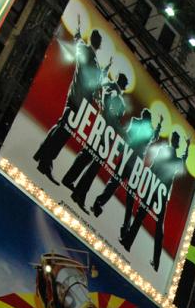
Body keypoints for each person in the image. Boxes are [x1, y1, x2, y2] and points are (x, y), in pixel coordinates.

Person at [34, 23, 104, 183]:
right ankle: (45, 162)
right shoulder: (89, 55)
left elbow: (78, 43)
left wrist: (78, 37)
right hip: (78, 99)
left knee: (62, 127)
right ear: (98, 43)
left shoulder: (87, 52)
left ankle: (42, 156)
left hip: (79, 99)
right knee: (64, 131)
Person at [120, 131, 190, 271]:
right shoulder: (174, 158)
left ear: (172, 141)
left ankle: (128, 242)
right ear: (177, 143)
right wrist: (187, 147)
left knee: (142, 216)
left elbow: (152, 168)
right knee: (157, 224)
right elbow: (182, 161)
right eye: (178, 141)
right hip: (161, 193)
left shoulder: (165, 153)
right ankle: (155, 261)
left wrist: (145, 179)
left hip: (155, 189)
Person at [62, 71, 129, 212]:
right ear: (122, 84)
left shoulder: (108, 86)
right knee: (93, 166)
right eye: (125, 84)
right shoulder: (115, 93)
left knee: (86, 156)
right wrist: (122, 132)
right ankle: (79, 194)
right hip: (105, 132)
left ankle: (70, 181)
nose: (125, 87)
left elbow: (102, 99)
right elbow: (111, 116)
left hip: (101, 129)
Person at [91, 108, 163, 232]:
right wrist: (159, 125)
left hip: (128, 159)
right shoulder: (148, 129)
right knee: (129, 194)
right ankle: (125, 226)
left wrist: (118, 151)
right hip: (133, 164)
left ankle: (99, 204)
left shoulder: (136, 122)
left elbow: (127, 137)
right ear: (148, 119)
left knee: (114, 184)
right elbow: (154, 136)